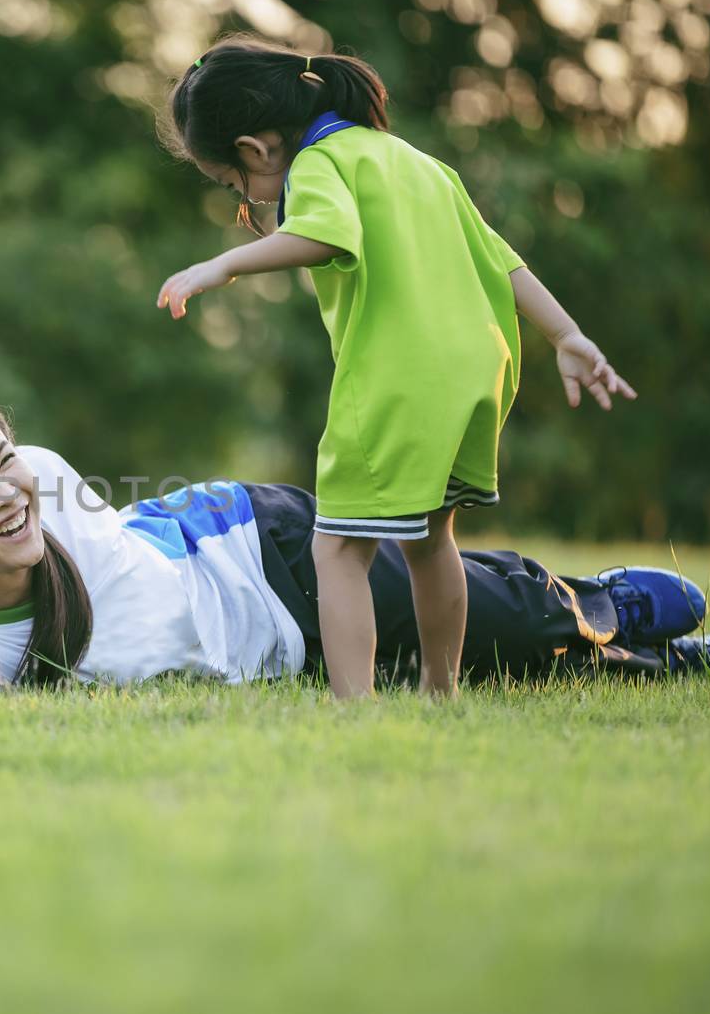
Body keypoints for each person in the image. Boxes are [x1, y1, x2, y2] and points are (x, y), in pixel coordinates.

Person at [153, 39, 638, 700]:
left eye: (233, 184)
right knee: (432, 540)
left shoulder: (319, 161)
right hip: (475, 373)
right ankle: (441, 693)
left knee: (338, 551)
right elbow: (502, 259)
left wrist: (223, 264)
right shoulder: (413, 159)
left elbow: (326, 234)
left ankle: (355, 710)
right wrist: (567, 334)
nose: (244, 197)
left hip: (398, 379)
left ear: (256, 147)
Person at [0, 390, 710, 690]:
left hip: (259, 550)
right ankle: (666, 663)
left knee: (479, 619)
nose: (8, 491)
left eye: (6, 458)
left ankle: (600, 601)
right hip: (285, 647)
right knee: (471, 670)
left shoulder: (49, 482)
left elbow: (48, 493)